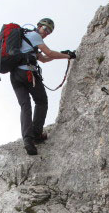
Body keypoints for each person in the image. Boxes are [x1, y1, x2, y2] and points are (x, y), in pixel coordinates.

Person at [10, 18, 76, 155]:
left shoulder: (27, 39)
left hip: (15, 75)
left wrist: (62, 53)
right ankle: (36, 134)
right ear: (39, 26)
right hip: (28, 73)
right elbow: (49, 53)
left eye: (49, 32)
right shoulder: (35, 36)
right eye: (45, 29)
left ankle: (28, 140)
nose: (46, 33)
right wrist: (67, 56)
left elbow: (45, 59)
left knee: (25, 105)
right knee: (41, 101)